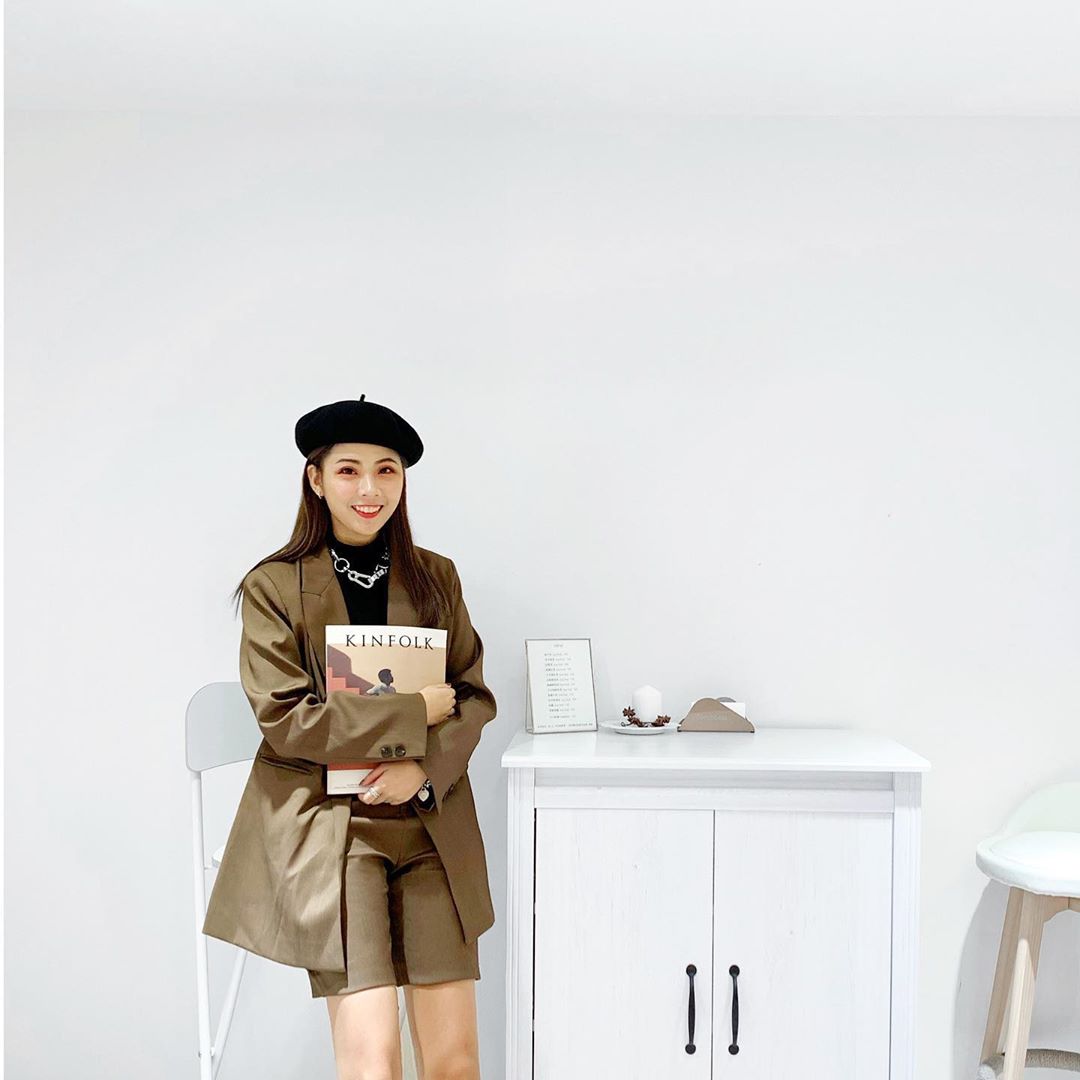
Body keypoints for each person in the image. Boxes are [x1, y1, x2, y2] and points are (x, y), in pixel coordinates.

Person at [201, 395, 496, 1080]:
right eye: (349, 470)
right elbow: (287, 720)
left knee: (455, 1061)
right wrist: (410, 713)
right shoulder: (275, 586)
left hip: (430, 826)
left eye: (386, 470)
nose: (369, 489)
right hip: (335, 830)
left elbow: (473, 698)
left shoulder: (435, 577)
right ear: (316, 478)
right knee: (373, 1062)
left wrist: (422, 773)